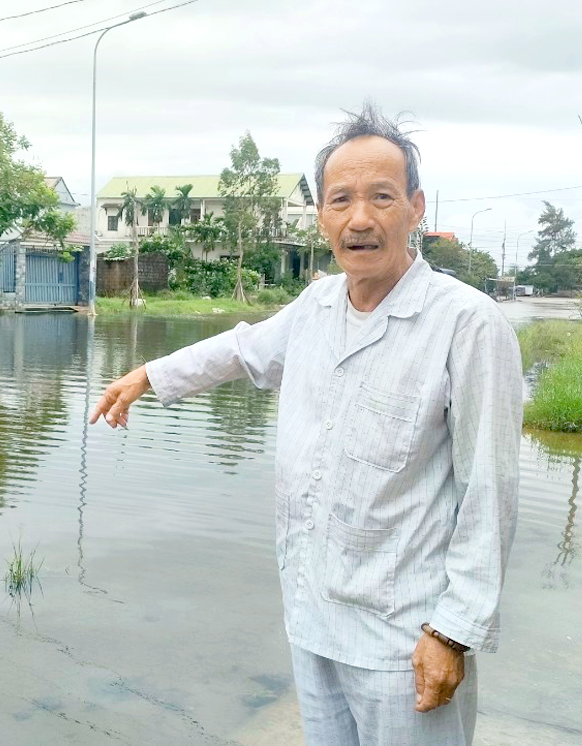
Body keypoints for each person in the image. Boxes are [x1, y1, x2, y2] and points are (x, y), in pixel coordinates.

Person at [90, 103, 522, 746]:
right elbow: (240, 349)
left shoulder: (468, 325)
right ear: (321, 215)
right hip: (314, 617)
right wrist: (148, 376)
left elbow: (489, 492)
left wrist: (452, 631)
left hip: (405, 637)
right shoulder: (317, 306)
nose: (361, 219)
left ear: (416, 207)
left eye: (381, 197)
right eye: (341, 200)